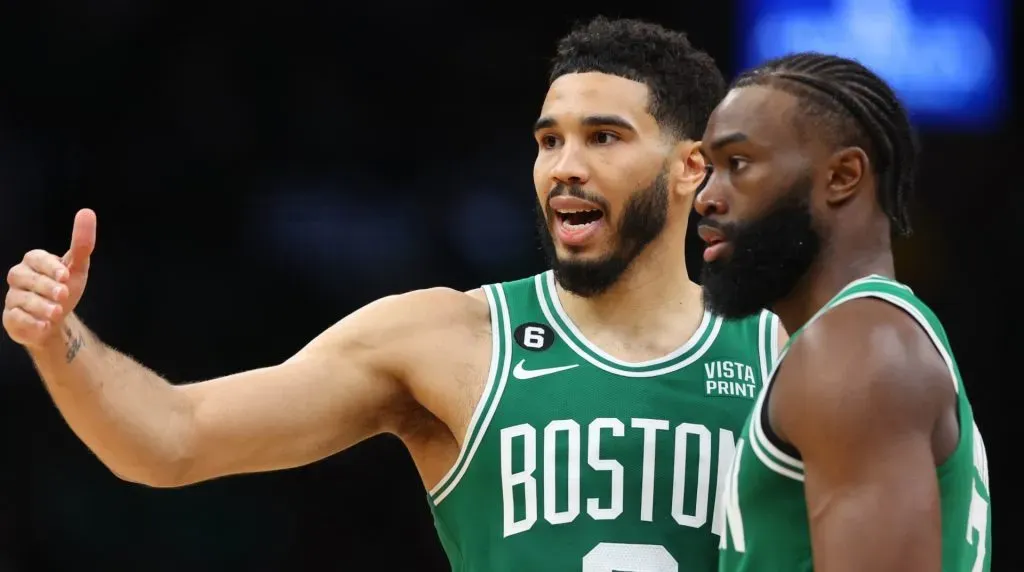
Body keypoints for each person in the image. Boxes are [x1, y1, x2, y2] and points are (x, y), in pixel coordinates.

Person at [2, 17, 783, 571]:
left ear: (690, 167)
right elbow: (173, 438)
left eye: (603, 137)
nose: (563, 166)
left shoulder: (788, 351)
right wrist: (61, 340)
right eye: (549, 140)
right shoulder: (449, 337)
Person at [695, 52, 992, 571]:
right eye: (709, 169)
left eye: (737, 164)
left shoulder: (855, 349)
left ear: (842, 176)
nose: (706, 198)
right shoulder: (873, 337)